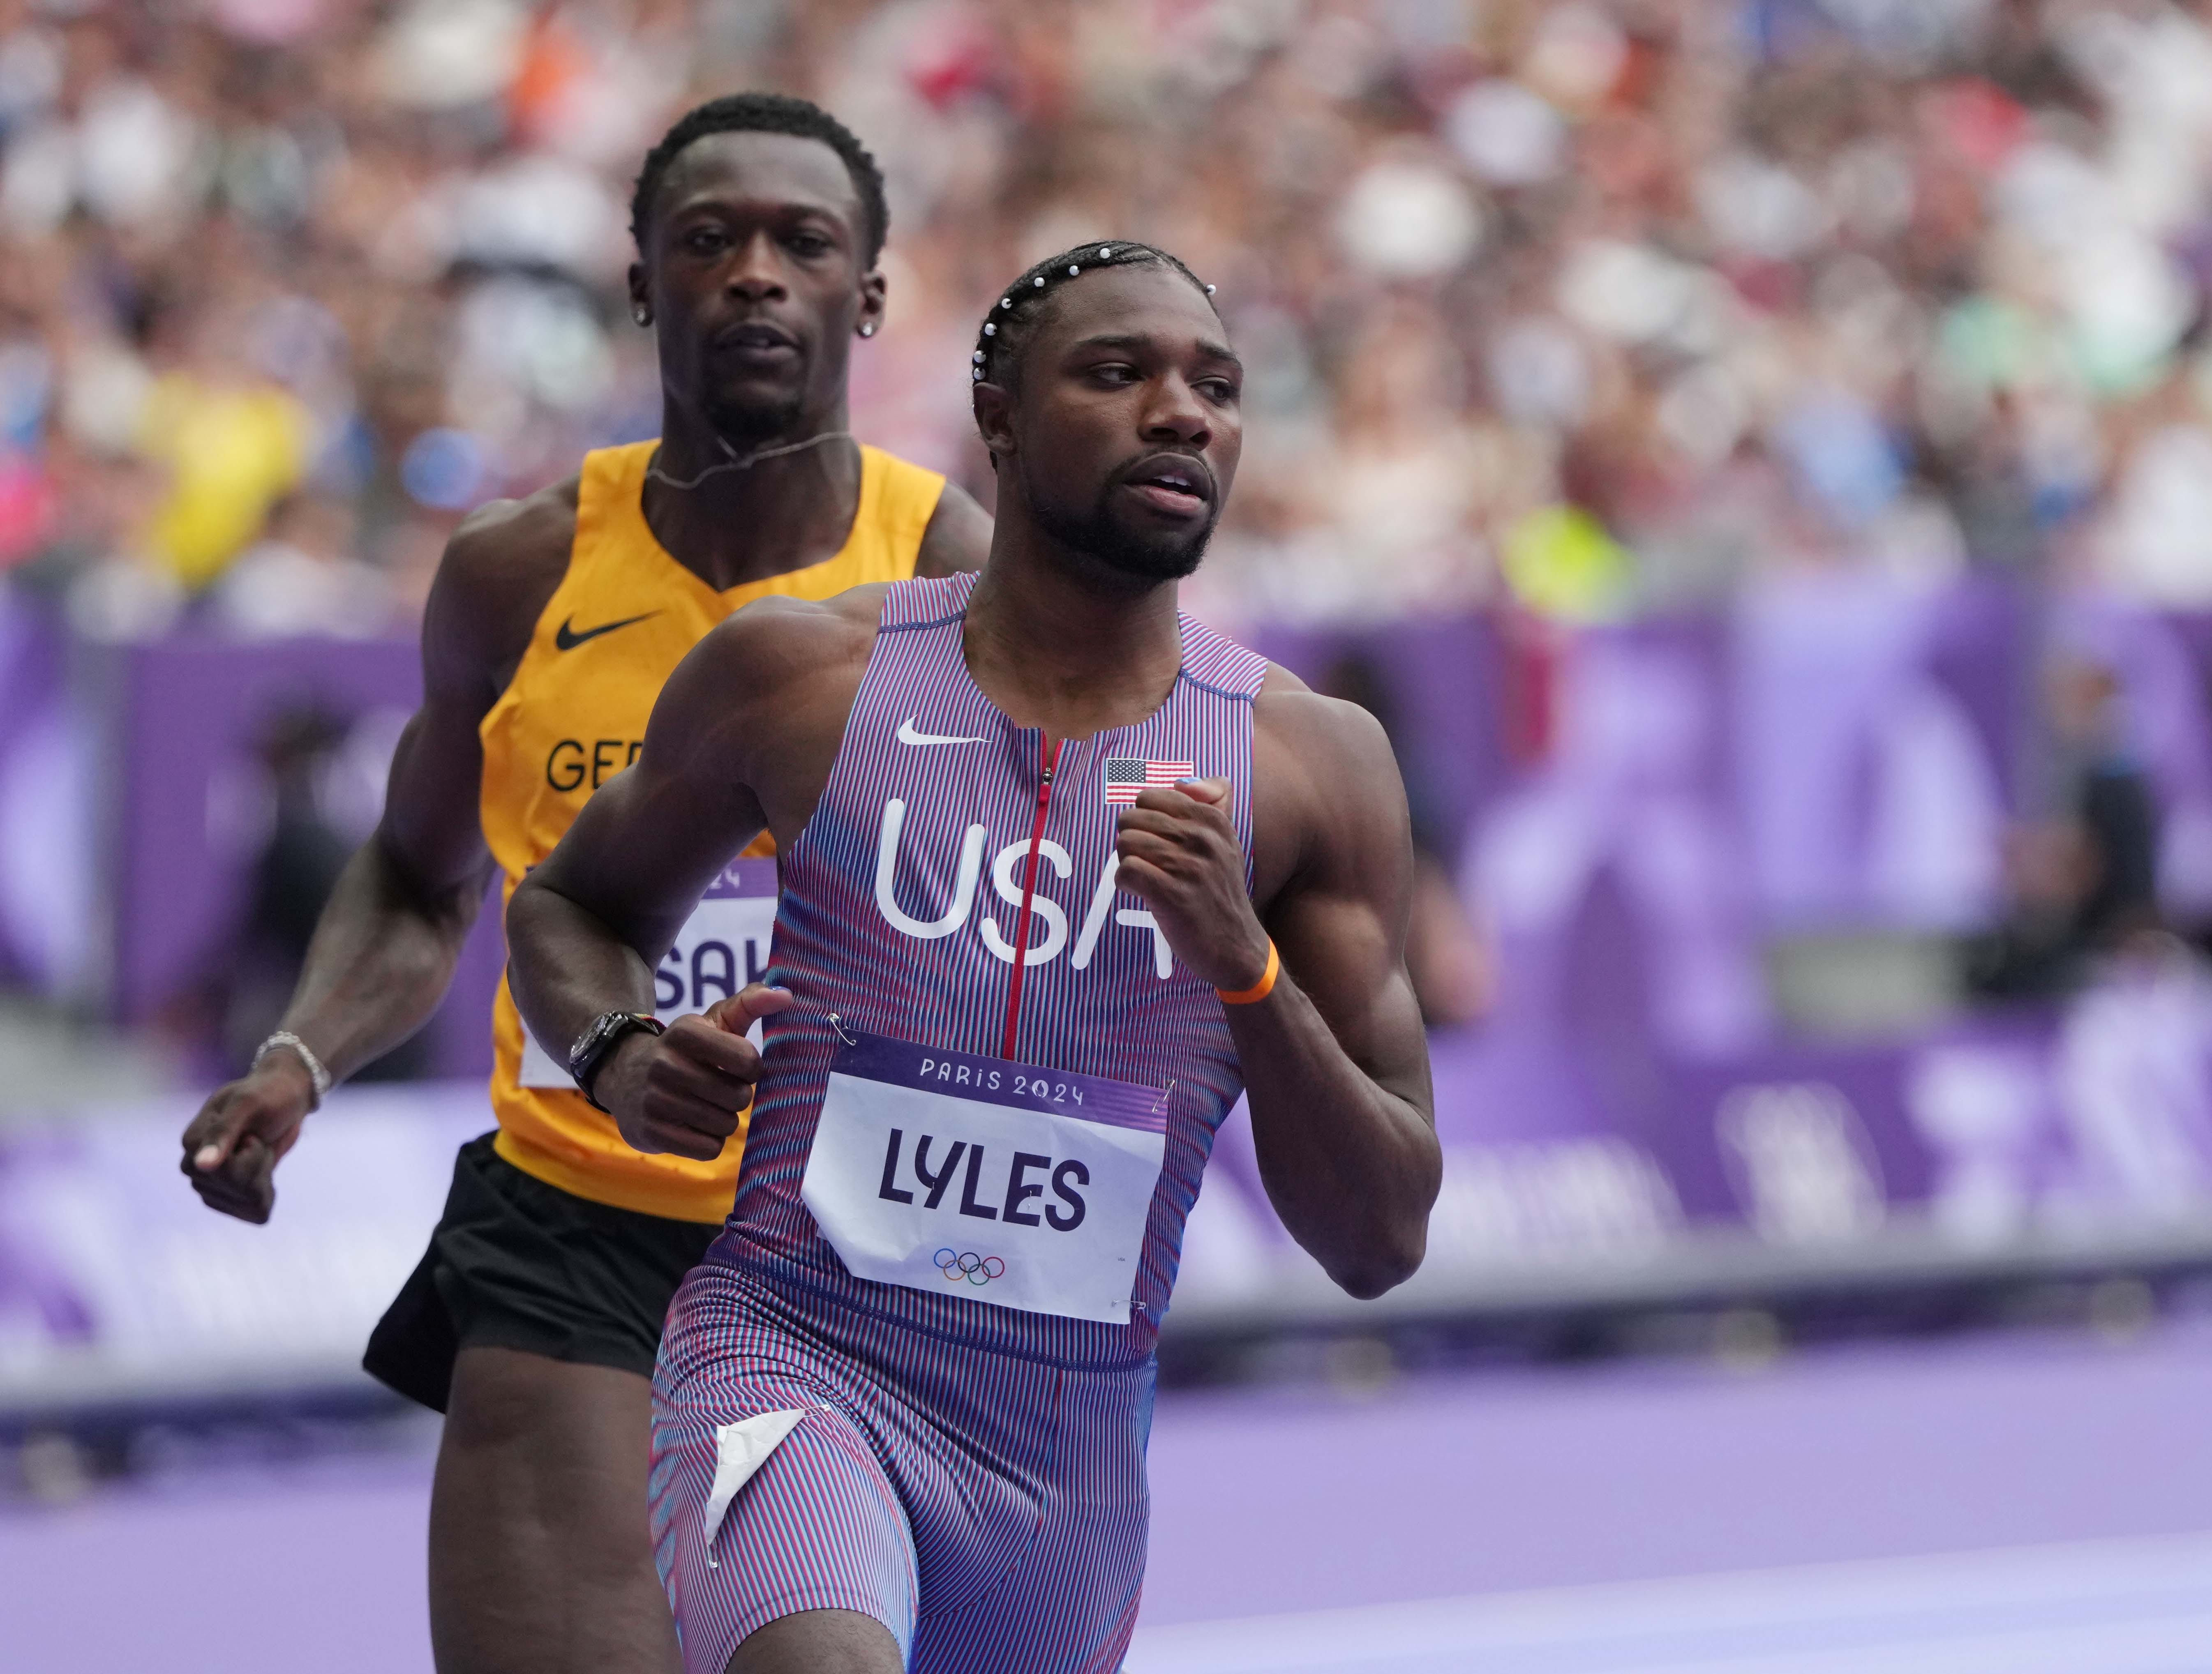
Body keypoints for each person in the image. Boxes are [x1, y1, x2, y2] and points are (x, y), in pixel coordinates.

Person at [507, 240, 1442, 1674]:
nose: (1182, 413)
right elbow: (569, 908)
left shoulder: (1309, 767)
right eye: (1118, 374)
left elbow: (1380, 1236)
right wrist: (623, 1057)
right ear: (997, 419)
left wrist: (1246, 970)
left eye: (1219, 386)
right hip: (792, 1359)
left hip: (1067, 1467)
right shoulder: (803, 679)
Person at [177, 93, 990, 1674]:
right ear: (639, 287)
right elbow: (420, 880)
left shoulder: (954, 573)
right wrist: (299, 1054)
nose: (755, 274)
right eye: (709, 241)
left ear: (869, 296)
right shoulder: (520, 569)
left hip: (860, 1254)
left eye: (803, 243)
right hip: (579, 1232)